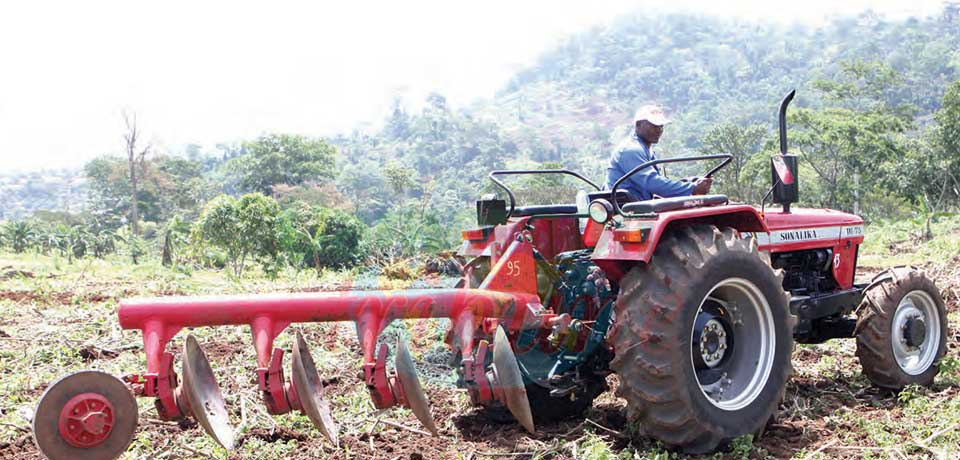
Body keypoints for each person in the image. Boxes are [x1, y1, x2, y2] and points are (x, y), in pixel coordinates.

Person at [605, 105, 712, 200]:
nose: (659, 130)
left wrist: (688, 183)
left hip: (640, 203)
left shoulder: (646, 149)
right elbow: (652, 183)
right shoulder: (631, 150)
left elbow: (656, 183)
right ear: (638, 125)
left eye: (661, 126)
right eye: (654, 125)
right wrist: (692, 188)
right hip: (627, 207)